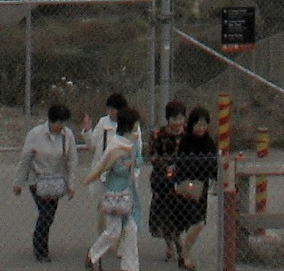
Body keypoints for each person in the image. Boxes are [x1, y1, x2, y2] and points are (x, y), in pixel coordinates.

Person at [13, 101, 78, 262]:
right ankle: (41, 248)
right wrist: (19, 183)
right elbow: (25, 159)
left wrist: (71, 185)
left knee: (49, 216)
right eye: (59, 123)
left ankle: (40, 243)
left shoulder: (67, 135)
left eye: (64, 123)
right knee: (45, 213)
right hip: (38, 180)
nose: (62, 126)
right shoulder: (35, 134)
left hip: (56, 182)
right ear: (51, 121)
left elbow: (72, 161)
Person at [84, 102, 146, 271]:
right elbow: (113, 167)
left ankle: (130, 266)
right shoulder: (116, 143)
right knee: (114, 230)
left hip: (129, 192)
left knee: (131, 228)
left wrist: (132, 161)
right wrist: (128, 163)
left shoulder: (133, 143)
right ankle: (93, 255)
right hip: (115, 193)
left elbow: (139, 160)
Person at [168, 109, 219, 271]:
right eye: (198, 124)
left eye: (204, 124)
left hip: (201, 190)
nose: (201, 127)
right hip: (185, 188)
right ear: (191, 124)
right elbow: (182, 165)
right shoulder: (185, 141)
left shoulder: (209, 142)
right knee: (193, 222)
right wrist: (198, 166)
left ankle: (184, 253)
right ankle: (185, 255)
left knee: (199, 223)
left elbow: (213, 166)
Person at [146, 102, 190, 262]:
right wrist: (166, 166)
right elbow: (152, 155)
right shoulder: (158, 135)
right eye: (174, 118)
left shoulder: (188, 135)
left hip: (182, 180)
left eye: (180, 118)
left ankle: (179, 244)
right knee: (164, 215)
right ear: (168, 119)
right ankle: (171, 245)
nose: (178, 122)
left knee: (179, 214)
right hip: (162, 181)